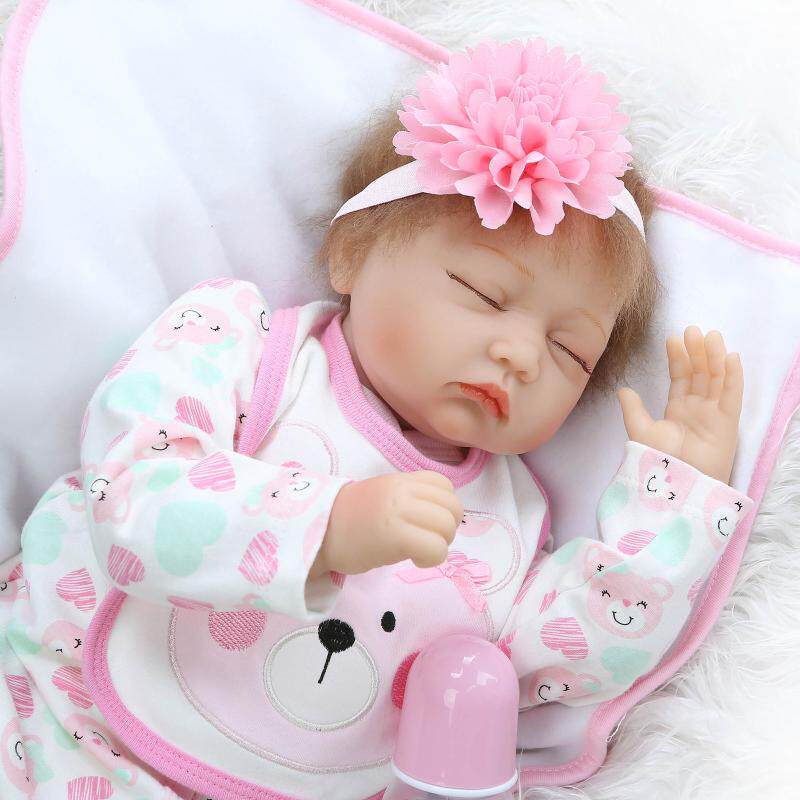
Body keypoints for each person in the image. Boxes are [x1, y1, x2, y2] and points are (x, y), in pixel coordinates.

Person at [1, 38, 753, 799]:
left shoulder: (510, 522)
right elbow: (133, 494)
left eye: (570, 351)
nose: (523, 354)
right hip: (64, 717)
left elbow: (554, 667)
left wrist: (675, 507)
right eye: (485, 294)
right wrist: (327, 524)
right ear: (351, 254)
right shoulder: (239, 343)